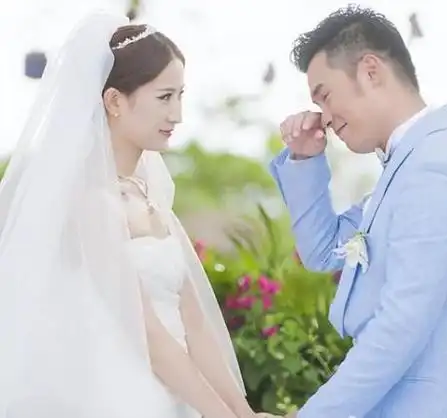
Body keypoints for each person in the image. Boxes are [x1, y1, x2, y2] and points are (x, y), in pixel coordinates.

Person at [0, 12, 257, 418]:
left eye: (180, 95)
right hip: (123, 393)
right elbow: (148, 332)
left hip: (181, 391)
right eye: (164, 97)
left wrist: (243, 412)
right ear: (115, 101)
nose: (177, 114)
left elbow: (194, 321)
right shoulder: (90, 202)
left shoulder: (150, 193)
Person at [269, 6, 447, 418]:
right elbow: (323, 251)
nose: (324, 118)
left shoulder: (434, 169)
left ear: (370, 71)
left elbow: (398, 331)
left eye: (325, 96)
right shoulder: (410, 164)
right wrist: (304, 158)